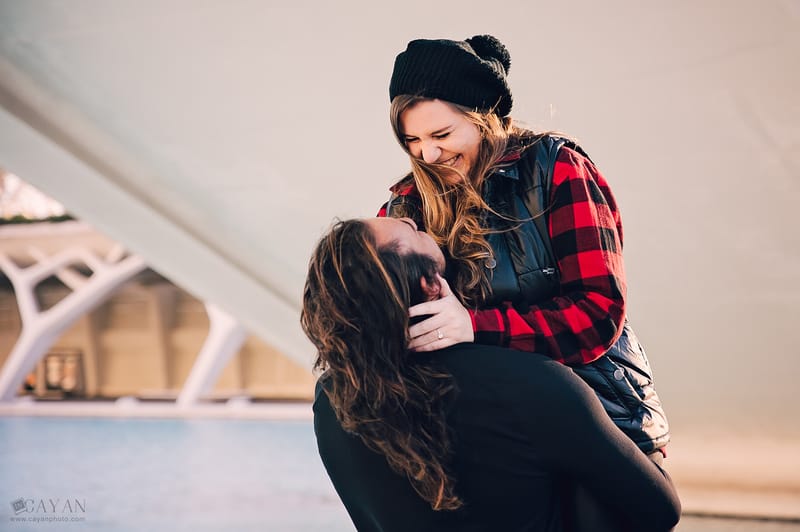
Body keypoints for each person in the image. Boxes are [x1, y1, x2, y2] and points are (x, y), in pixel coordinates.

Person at [379, 35, 668, 455]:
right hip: (482, 434)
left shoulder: (558, 170)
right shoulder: (404, 207)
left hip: (602, 424)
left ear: (484, 115)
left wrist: (472, 326)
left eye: (441, 133)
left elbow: (598, 312)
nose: (429, 154)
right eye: (412, 140)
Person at [302, 217, 681, 532]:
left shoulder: (334, 404)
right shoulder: (531, 382)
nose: (410, 218)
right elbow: (659, 510)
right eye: (412, 230)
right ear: (430, 286)